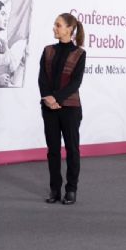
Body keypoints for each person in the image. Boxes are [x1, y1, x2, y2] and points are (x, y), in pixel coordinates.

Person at [38, 12, 87, 205]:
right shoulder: (47, 50)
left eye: (58, 25)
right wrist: (48, 99)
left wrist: (56, 98)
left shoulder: (79, 54)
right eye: (55, 25)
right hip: (49, 108)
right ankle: (54, 189)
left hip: (70, 109)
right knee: (53, 151)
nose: (54, 28)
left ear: (69, 29)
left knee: (72, 150)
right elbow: (42, 78)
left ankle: (71, 189)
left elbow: (76, 83)